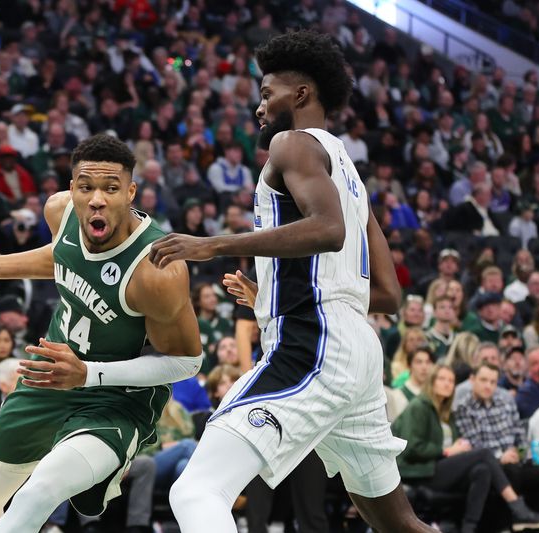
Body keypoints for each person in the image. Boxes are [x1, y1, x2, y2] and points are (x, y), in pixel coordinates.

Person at [149, 31, 428, 532]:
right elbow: (387, 293)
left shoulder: (291, 142)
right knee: (399, 524)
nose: (259, 108)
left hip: (313, 343)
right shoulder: (349, 173)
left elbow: (327, 229)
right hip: (357, 350)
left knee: (195, 490)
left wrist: (211, 244)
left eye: (265, 93)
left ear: (300, 95)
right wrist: (277, 292)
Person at [0, 134, 203, 533]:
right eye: (86, 187)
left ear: (131, 192)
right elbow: (61, 256)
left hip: (115, 400)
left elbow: (187, 362)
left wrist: (89, 374)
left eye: (111, 188)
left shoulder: (157, 270)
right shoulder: (61, 211)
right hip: (49, 379)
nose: (97, 199)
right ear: (72, 190)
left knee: (39, 491)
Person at [392, 364, 539, 532]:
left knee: (482, 470)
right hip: (421, 471)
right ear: (431, 382)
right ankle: (517, 507)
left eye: (451, 380)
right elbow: (411, 447)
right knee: (484, 454)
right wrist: (446, 451)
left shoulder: (445, 412)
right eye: (442, 379)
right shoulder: (419, 406)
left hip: (441, 465)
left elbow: (457, 444)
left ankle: (468, 529)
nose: (447, 384)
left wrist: (459, 448)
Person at [455, 362, 539, 512]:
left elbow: (520, 436)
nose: (488, 386)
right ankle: (518, 517)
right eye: (483, 380)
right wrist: (500, 457)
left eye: (492, 382)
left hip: (516, 460)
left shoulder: (505, 403)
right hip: (493, 464)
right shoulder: (464, 408)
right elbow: (474, 445)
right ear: (472, 380)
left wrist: (519, 453)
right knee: (510, 471)